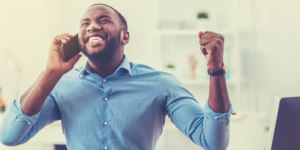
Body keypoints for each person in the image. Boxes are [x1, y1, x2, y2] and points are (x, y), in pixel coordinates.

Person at [0, 3, 234, 150]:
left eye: (103, 20)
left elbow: (213, 142)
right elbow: (9, 136)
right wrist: (50, 73)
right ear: (78, 40)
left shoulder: (160, 84)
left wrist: (216, 70)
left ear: (125, 37)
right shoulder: (61, 86)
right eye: (85, 24)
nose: (92, 26)